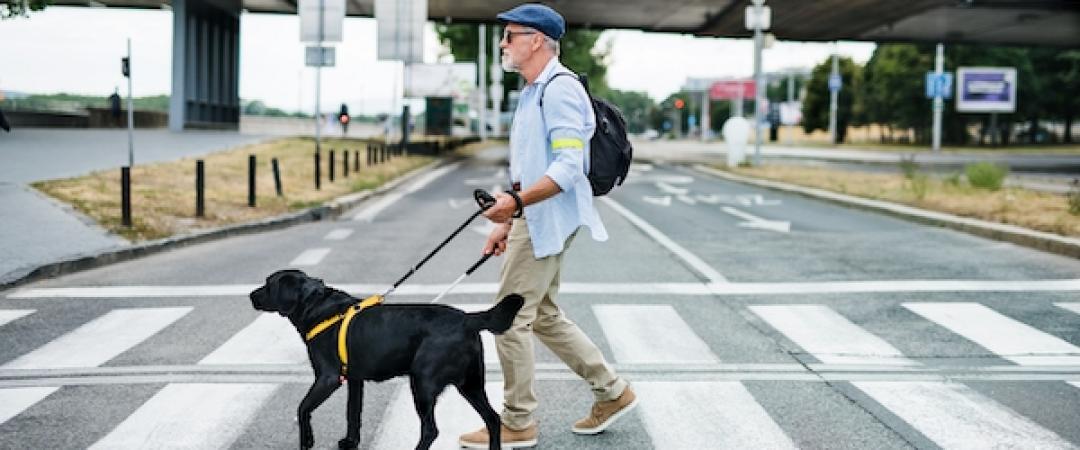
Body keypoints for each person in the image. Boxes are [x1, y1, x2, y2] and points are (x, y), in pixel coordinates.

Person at [459, 4, 637, 449]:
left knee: (509, 319)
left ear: (537, 40)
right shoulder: (534, 90)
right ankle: (612, 391)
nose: (503, 43)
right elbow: (531, 165)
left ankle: (518, 422)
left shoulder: (559, 90)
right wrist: (510, 215)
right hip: (536, 216)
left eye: (510, 35)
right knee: (542, 315)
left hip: (548, 216)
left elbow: (568, 166)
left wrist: (516, 204)